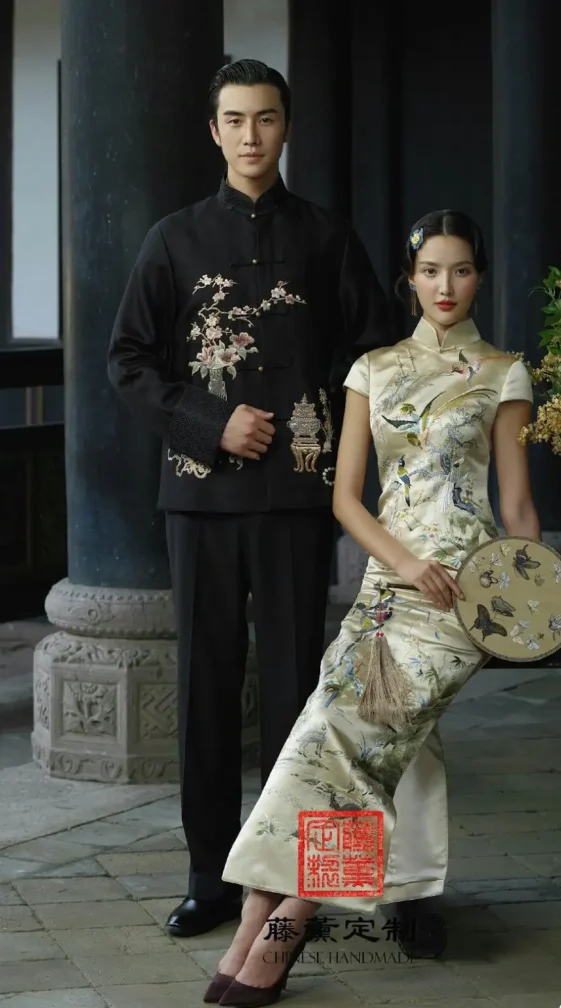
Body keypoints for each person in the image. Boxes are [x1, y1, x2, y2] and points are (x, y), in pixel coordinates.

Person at [202, 209, 561, 1008]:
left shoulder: (503, 372)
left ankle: (284, 921)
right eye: (431, 270)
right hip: (386, 597)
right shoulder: (374, 369)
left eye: (461, 269)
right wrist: (404, 563)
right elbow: (346, 501)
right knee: (320, 743)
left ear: (479, 276)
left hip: (466, 604)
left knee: (363, 755)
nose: (446, 285)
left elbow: (519, 511)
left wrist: (547, 618)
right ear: (410, 278)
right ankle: (259, 912)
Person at [107, 59, 391, 938]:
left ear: (285, 127)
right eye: (234, 120)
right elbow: (128, 361)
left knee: (300, 692)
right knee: (206, 685)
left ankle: (298, 880)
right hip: (200, 500)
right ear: (214, 131)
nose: (250, 135)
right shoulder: (173, 240)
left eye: (265, 119)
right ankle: (209, 875)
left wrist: (347, 472)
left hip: (301, 499)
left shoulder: (328, 238)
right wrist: (209, 421)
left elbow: (371, 363)